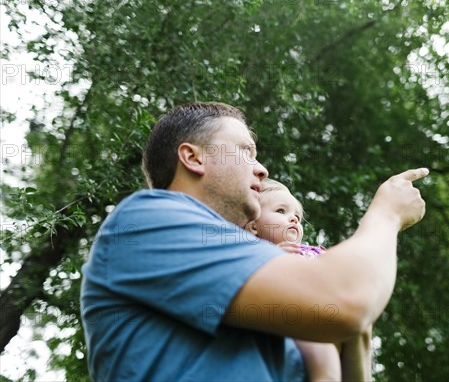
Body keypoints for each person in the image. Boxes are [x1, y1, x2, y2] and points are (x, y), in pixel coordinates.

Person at [80, 102, 428, 381]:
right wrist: (387, 214)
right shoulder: (147, 220)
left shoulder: (258, 287)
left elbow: (348, 326)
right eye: (246, 152)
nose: (261, 169)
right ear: (193, 158)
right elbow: (345, 303)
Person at [246, 177, 372, 381]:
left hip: (330, 311)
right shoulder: (259, 253)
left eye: (297, 215)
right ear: (253, 226)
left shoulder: (315, 252)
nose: (294, 219)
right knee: (321, 350)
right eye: (281, 211)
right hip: (302, 315)